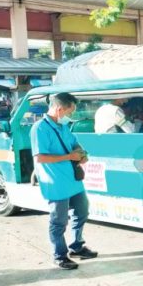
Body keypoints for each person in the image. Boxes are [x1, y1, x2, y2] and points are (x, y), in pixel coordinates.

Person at [30, 93, 97, 270]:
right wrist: (69, 156)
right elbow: (40, 158)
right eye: (70, 111)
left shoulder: (63, 126)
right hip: (56, 183)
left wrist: (82, 154)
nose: (71, 115)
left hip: (73, 181)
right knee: (59, 221)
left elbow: (75, 144)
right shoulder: (40, 128)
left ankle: (77, 247)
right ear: (60, 109)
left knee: (82, 212)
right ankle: (59, 255)